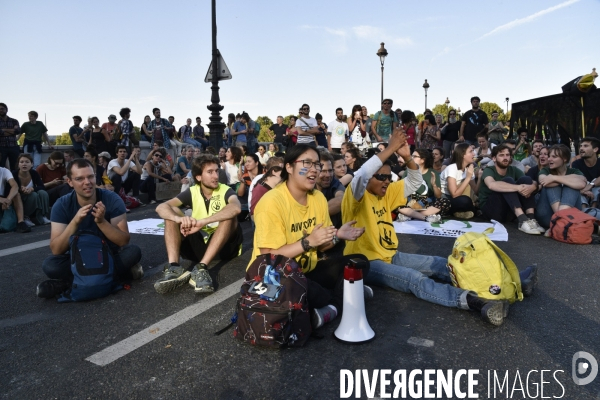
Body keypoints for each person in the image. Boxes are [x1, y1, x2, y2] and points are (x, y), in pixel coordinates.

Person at [342, 128, 535, 326]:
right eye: (379, 177)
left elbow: (415, 180)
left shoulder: (387, 191)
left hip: (390, 255)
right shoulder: (356, 195)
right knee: (414, 279)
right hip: (365, 262)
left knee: (442, 263)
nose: (385, 181)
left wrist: (408, 157)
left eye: (387, 177)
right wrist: (391, 147)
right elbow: (361, 175)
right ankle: (474, 301)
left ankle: (510, 282)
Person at [250, 144, 367, 328]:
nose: (314, 169)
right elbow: (268, 258)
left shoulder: (318, 198)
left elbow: (322, 246)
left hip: (306, 272)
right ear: (289, 167)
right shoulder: (271, 202)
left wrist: (338, 235)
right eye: (307, 163)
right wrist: (307, 242)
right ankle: (342, 300)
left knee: (359, 263)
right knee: (310, 291)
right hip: (273, 278)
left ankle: (334, 302)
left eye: (317, 164)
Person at [37, 159, 143, 298]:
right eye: (79, 179)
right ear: (70, 182)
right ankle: (116, 276)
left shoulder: (112, 199)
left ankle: (68, 283)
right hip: (78, 257)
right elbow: (56, 249)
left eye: (90, 177)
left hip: (107, 255)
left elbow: (123, 241)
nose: (87, 182)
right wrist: (75, 222)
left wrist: (101, 222)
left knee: (133, 252)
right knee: (50, 265)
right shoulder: (61, 204)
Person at [154, 154, 243, 294]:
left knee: (229, 216)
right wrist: (179, 219)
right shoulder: (193, 191)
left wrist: (203, 222)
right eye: (210, 172)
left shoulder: (226, 189)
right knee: (172, 211)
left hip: (224, 248)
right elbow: (161, 207)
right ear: (198, 177)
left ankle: (202, 268)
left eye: (216, 171)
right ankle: (174, 267)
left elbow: (236, 208)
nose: (216, 176)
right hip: (199, 246)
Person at [477, 145, 543, 235]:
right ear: (494, 158)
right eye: (501, 155)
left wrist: (532, 187)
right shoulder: (489, 170)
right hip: (491, 210)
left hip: (508, 210)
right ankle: (522, 220)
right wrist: (518, 188)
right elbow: (491, 185)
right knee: (508, 181)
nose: (505, 158)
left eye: (507, 155)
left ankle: (531, 219)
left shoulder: (514, 170)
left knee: (526, 180)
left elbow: (533, 182)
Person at [535, 144, 587, 229]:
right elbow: (544, 182)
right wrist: (569, 180)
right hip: (547, 216)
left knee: (572, 187)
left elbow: (581, 184)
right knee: (553, 185)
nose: (549, 159)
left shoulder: (574, 171)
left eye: (554, 157)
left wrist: (554, 177)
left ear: (564, 159)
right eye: (549, 156)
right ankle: (561, 218)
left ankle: (559, 220)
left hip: (570, 216)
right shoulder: (546, 170)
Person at [396, 148, 450, 222]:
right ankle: (425, 217)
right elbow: (401, 191)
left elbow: (438, 196)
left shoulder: (433, 173)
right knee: (396, 202)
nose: (411, 158)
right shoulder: (407, 172)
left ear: (423, 160)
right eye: (412, 156)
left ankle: (411, 215)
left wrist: (434, 184)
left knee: (445, 202)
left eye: (415, 156)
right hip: (410, 201)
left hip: (427, 202)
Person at [440, 143, 477, 219]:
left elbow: (475, 190)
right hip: (447, 199)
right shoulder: (452, 168)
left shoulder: (468, 169)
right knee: (465, 201)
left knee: (471, 200)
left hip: (461, 197)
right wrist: (468, 177)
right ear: (463, 155)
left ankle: (462, 212)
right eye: (470, 152)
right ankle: (467, 210)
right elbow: (454, 195)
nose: (474, 154)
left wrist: (479, 178)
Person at [12, 153, 51, 226]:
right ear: (18, 164)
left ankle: (43, 216)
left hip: (31, 194)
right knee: (33, 195)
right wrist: (21, 189)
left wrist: (32, 188)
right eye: (22, 162)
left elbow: (41, 186)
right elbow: (10, 188)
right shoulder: (14, 174)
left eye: (27, 162)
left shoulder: (34, 173)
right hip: (19, 198)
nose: (24, 164)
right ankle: (25, 217)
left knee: (42, 193)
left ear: (32, 164)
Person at [315, 152, 345, 228]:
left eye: (330, 171)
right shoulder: (306, 185)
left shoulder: (335, 183)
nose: (328, 175)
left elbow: (341, 199)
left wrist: (310, 216)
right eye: (323, 171)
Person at [0, 164, 31, 233]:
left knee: (16, 194)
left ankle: (21, 222)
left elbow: (15, 186)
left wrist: (8, 199)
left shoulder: (4, 171)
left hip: (4, 202)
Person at [571, 138, 600, 208]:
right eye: (580, 146)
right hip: (583, 194)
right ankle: (585, 212)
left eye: (585, 146)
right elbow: (576, 181)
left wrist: (591, 185)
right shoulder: (576, 164)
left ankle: (593, 209)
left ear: (595, 149)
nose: (581, 148)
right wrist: (583, 191)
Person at [0, 103, 21, 171]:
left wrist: (3, 130)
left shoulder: (14, 121)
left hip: (13, 146)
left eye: (2, 109)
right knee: (1, 167)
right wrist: (12, 131)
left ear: (6, 110)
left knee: (15, 166)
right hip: (1, 147)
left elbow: (17, 131)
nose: (1, 110)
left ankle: (14, 181)